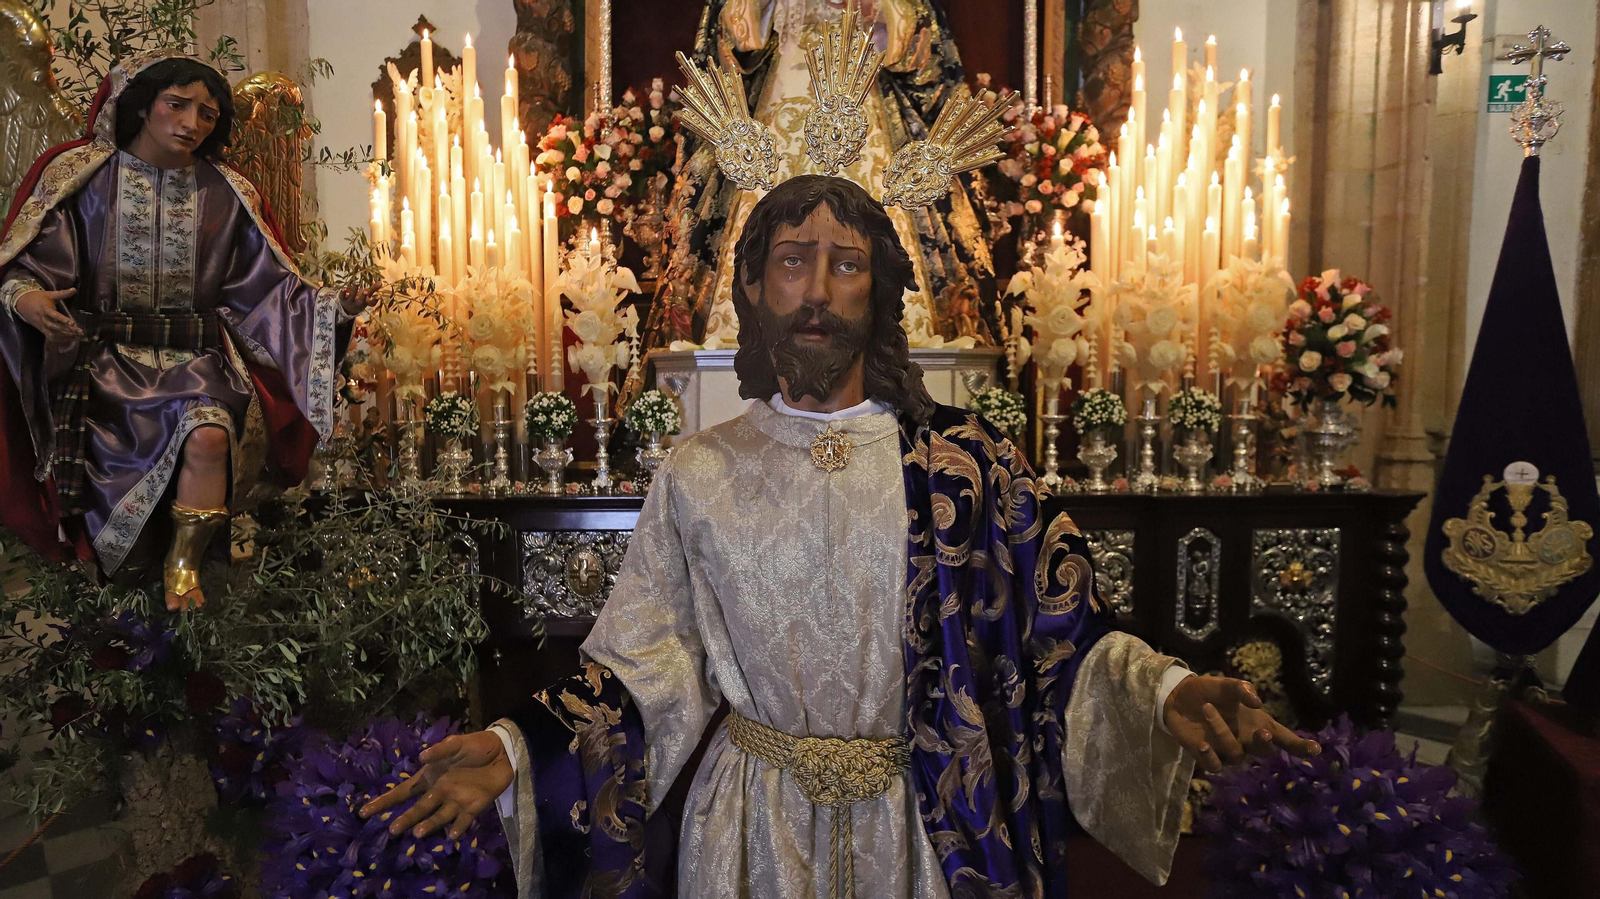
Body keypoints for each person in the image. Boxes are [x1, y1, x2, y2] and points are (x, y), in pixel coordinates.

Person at [363, 176, 1317, 899]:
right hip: (749, 827)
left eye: (846, 263)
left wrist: (1164, 690)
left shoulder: (966, 461)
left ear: (879, 293)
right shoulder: (700, 470)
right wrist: (517, 745)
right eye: (791, 260)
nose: (816, 288)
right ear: (753, 286)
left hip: (924, 819)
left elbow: (1061, 635)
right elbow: (645, 663)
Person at [0, 51, 360, 611]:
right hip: (104, 369)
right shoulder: (84, 178)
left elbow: (267, 288)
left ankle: (185, 570)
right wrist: (26, 298)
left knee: (209, 433)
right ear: (144, 106)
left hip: (196, 362)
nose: (192, 123)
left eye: (209, 115)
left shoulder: (226, 192)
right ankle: (126, 615)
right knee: (120, 530)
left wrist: (334, 309)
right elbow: (26, 264)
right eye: (178, 105)